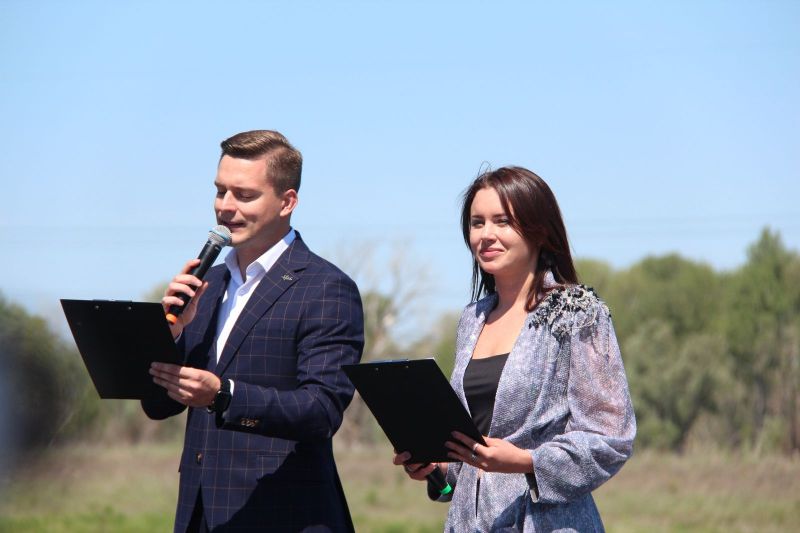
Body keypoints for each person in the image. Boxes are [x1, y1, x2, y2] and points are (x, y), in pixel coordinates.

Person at [142, 130, 364, 532]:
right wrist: (168, 336)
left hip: (284, 517)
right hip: (199, 516)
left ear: (287, 202)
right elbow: (159, 407)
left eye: (244, 195)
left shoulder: (326, 288)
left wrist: (224, 395)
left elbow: (321, 410)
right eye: (220, 191)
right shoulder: (206, 285)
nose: (225, 207)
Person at [394, 166, 636, 531]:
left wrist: (527, 461)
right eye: (477, 223)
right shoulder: (472, 319)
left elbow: (610, 437)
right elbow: (473, 453)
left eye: (502, 221)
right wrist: (438, 469)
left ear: (539, 231)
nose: (486, 235)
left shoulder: (578, 312)